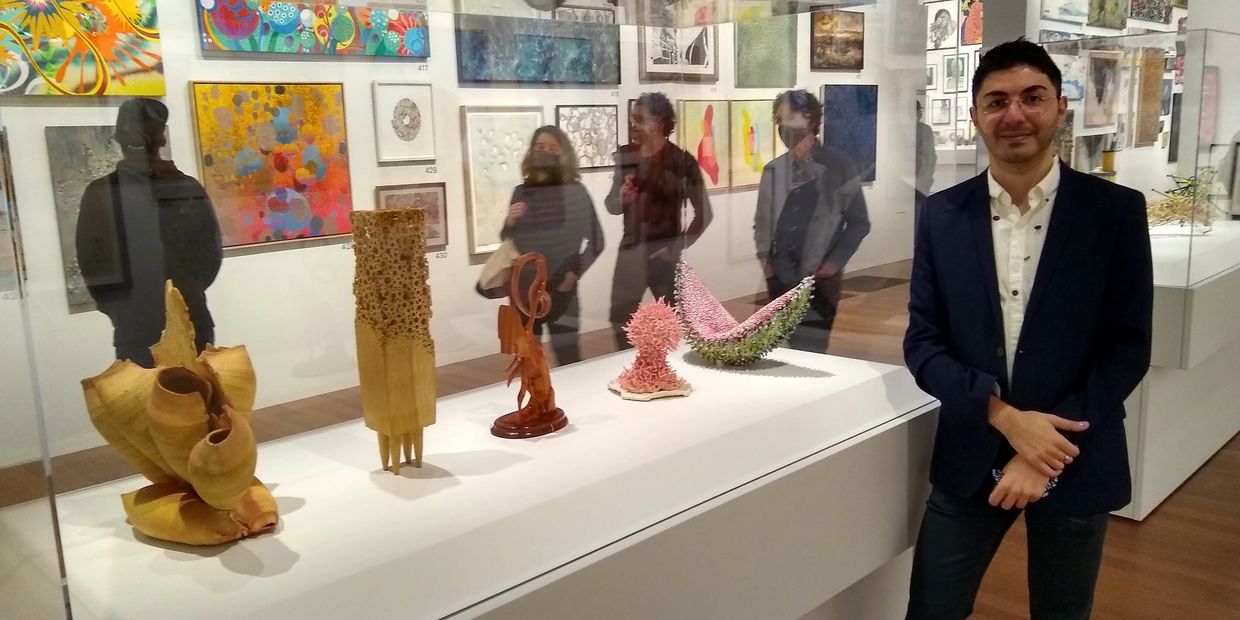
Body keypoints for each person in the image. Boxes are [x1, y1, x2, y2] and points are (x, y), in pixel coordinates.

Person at [903, 39, 1152, 619]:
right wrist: (1005, 418)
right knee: (931, 610)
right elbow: (923, 343)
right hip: (972, 451)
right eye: (996, 101)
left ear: (1060, 107)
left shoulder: (1113, 213)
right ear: (975, 117)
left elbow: (1127, 347)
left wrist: (1042, 454)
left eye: (1032, 97)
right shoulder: (941, 215)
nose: (1014, 114)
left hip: (1077, 454)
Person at [76, 98, 223, 367]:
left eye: (144, 133)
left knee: (198, 402)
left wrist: (184, 294)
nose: (139, 140)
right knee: (145, 405)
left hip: (182, 317)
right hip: (139, 323)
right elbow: (93, 262)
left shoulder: (186, 188)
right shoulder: (102, 194)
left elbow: (209, 255)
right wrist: (124, 310)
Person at [753, 89, 870, 354]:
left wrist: (831, 265)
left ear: (811, 120)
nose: (785, 126)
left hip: (819, 280)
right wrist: (768, 268)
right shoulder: (774, 169)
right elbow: (761, 223)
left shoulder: (840, 165)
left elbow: (859, 222)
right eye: (781, 119)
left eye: (792, 117)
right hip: (781, 279)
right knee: (784, 350)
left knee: (813, 350)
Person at [605, 92, 712, 349]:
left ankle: (668, 371)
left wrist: (674, 248)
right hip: (631, 251)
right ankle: (631, 370)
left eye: (639, 119)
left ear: (659, 122)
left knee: (672, 322)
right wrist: (621, 197)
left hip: (664, 255)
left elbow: (704, 214)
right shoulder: (626, 158)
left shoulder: (682, 162)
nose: (634, 125)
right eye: (633, 118)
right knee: (621, 318)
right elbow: (612, 206)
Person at [501, 125, 605, 366]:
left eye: (551, 148)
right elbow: (508, 239)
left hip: (562, 289)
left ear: (562, 154)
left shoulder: (575, 192)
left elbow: (597, 241)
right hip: (524, 289)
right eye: (539, 147)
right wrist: (509, 221)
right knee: (526, 360)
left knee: (568, 354)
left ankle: (572, 402)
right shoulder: (522, 192)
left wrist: (574, 274)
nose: (544, 152)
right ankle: (534, 404)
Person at [914, 100, 937, 237]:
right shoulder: (924, 130)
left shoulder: (897, 128)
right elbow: (930, 157)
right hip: (918, 184)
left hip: (912, 182)